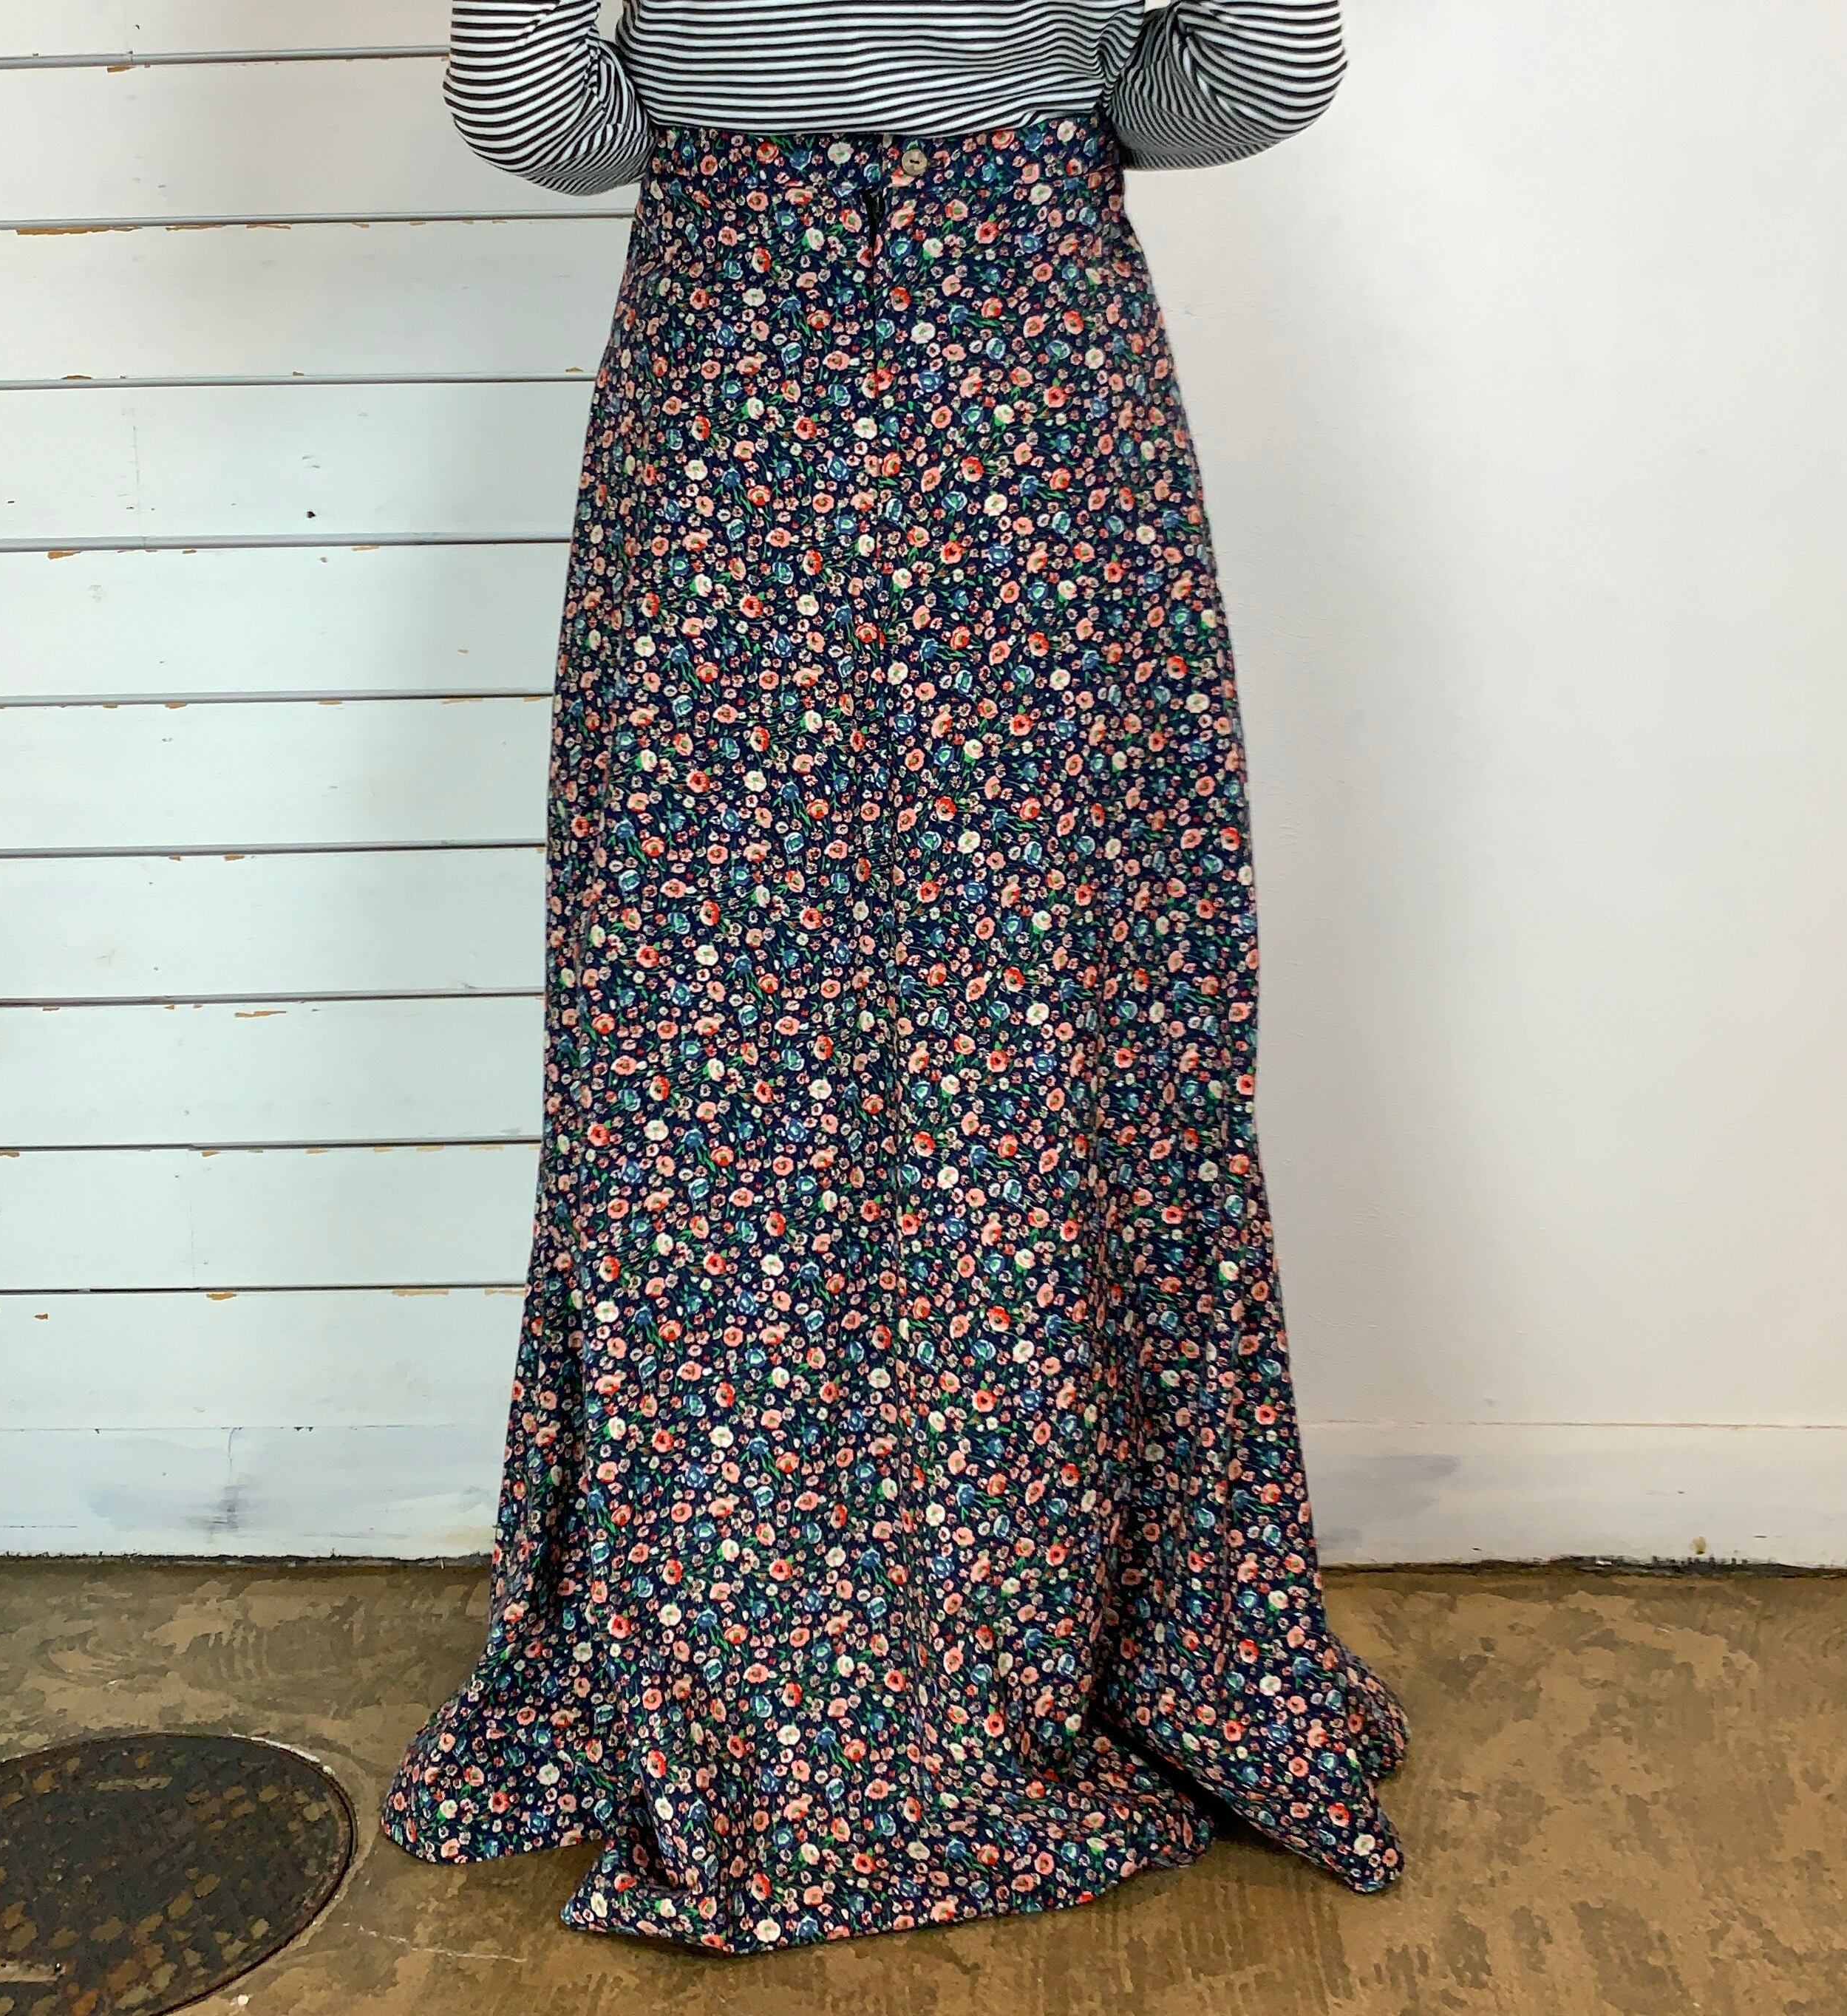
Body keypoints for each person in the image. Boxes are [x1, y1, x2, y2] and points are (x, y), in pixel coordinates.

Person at [382, 0, 1407, 1954]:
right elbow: (1257, 75)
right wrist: (1017, 104)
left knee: (711, 1060)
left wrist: (746, 112)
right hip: (1039, 378)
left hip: (731, 404)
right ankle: (1076, 1629)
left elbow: (537, 111)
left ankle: (732, 1653)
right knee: (1063, 1043)